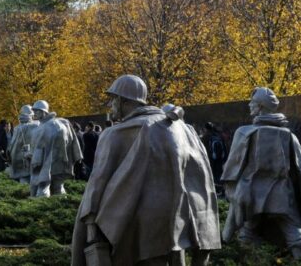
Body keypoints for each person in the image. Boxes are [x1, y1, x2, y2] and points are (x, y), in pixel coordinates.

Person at [71, 75, 220, 266]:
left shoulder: (115, 134)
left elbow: (97, 184)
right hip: (177, 223)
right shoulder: (183, 129)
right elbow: (201, 178)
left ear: (122, 100)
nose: (110, 105)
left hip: (135, 226)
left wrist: (90, 228)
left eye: (112, 99)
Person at [220, 87, 301, 259]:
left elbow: (232, 168)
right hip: (281, 194)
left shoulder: (243, 132)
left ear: (260, 106)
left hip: (251, 194)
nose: (249, 105)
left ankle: (251, 261)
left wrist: (232, 190)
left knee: (248, 231)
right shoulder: (288, 135)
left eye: (252, 102)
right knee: (295, 233)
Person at [28, 100, 82, 197]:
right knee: (59, 186)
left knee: (43, 188)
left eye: (37, 111)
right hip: (62, 162)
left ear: (44, 112)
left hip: (46, 164)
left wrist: (29, 155)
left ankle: (41, 210)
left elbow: (38, 151)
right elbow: (72, 142)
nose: (34, 113)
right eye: (34, 111)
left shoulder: (43, 128)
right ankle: (62, 208)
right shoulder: (63, 123)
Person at [7, 105, 38, 184]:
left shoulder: (18, 128)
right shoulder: (37, 125)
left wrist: (9, 154)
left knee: (23, 178)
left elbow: (12, 144)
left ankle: (23, 192)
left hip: (17, 158)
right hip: (33, 156)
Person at [203, 122, 228, 191]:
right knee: (219, 173)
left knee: (212, 173)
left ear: (206, 129)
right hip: (221, 158)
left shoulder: (206, 136)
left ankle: (215, 189)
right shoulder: (218, 136)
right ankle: (221, 189)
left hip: (211, 158)